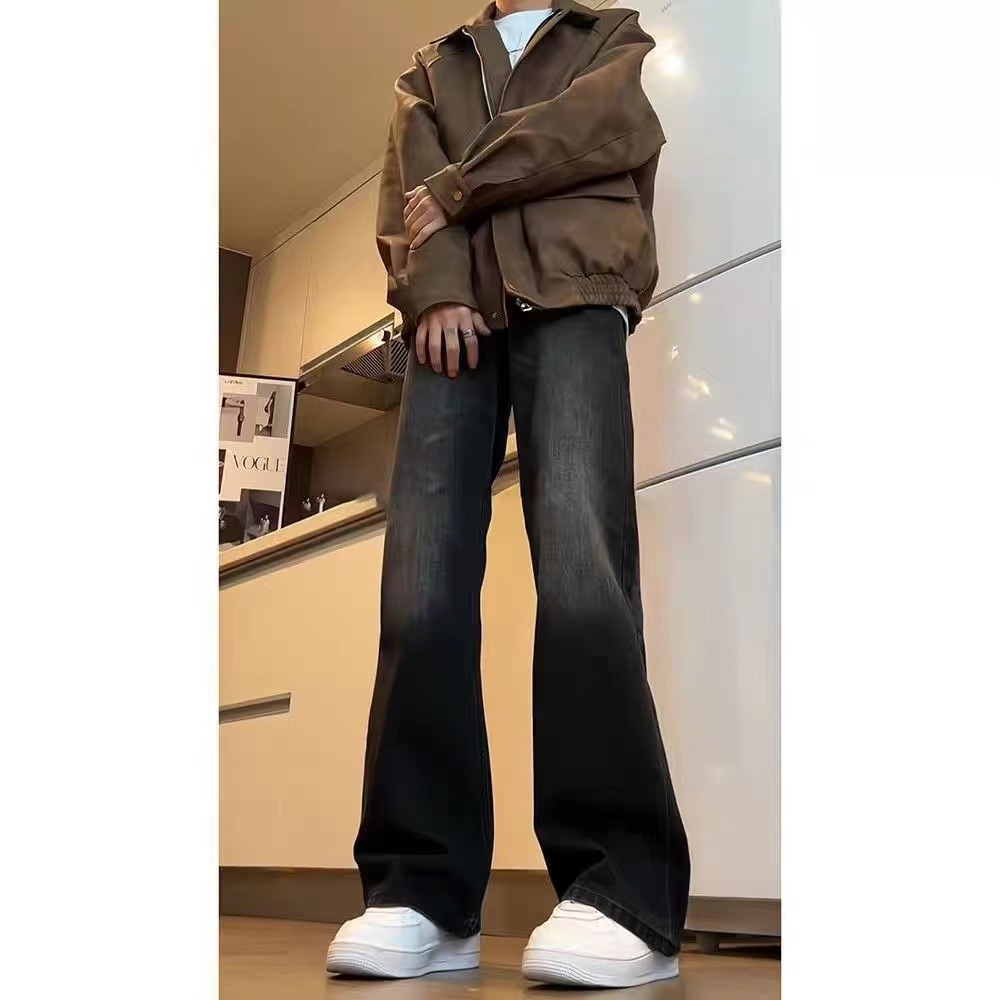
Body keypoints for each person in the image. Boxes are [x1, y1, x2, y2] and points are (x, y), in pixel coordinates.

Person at [327, 0, 690, 988]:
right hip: (450, 317)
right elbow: (404, 193)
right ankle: (421, 890)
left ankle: (619, 890)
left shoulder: (606, 35)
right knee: (421, 589)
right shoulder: (430, 65)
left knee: (580, 573)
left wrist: (459, 186)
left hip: (575, 292)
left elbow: (600, 130)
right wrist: (438, 287)